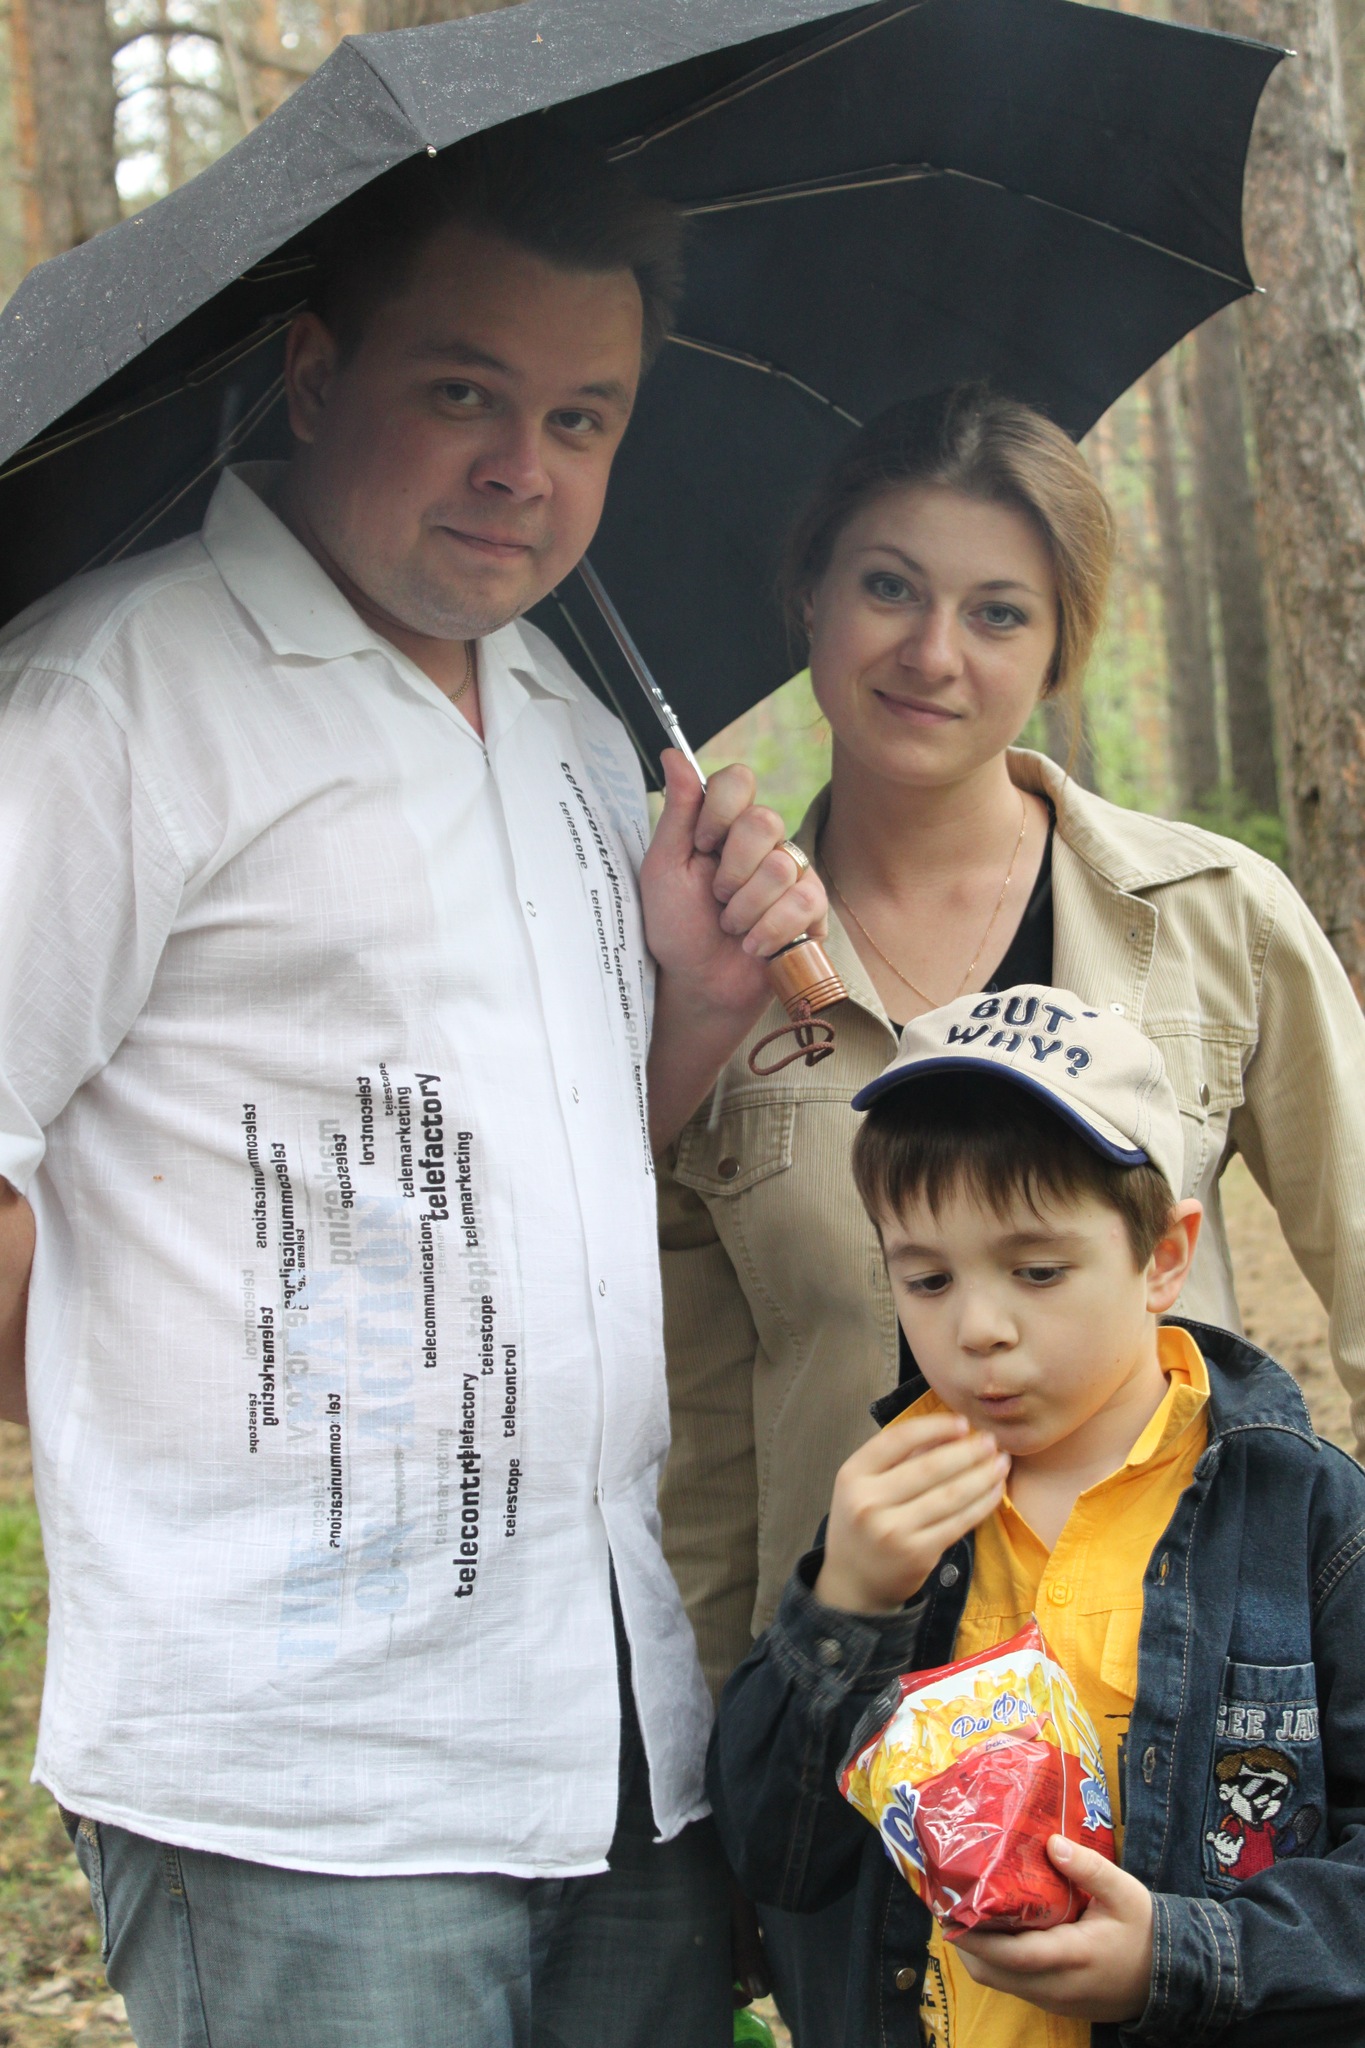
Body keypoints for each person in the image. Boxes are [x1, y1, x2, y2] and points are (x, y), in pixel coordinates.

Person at [0, 126, 829, 2048]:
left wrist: (698, 1006)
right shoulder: (111, 702)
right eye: (464, 391)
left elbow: (533, 1182)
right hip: (299, 1788)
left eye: (582, 416)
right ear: (313, 373)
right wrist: (118, 1443)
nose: (523, 467)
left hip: (609, 1741)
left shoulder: (571, 724)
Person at [657, 384, 1365, 2033]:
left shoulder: (1213, 915)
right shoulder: (709, 968)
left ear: (1059, 647)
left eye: (998, 611)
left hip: (1184, 1731)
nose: (933, 652)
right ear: (809, 594)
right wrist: (721, 1784)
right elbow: (702, 1433)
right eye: (887, 586)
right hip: (860, 1745)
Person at [708, 988, 1365, 2047]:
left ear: (1163, 1256)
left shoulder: (1307, 1522)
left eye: (1038, 1270)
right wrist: (845, 1608)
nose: (979, 1326)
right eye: (928, 1277)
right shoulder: (896, 1515)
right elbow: (777, 1855)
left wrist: (1176, 1956)